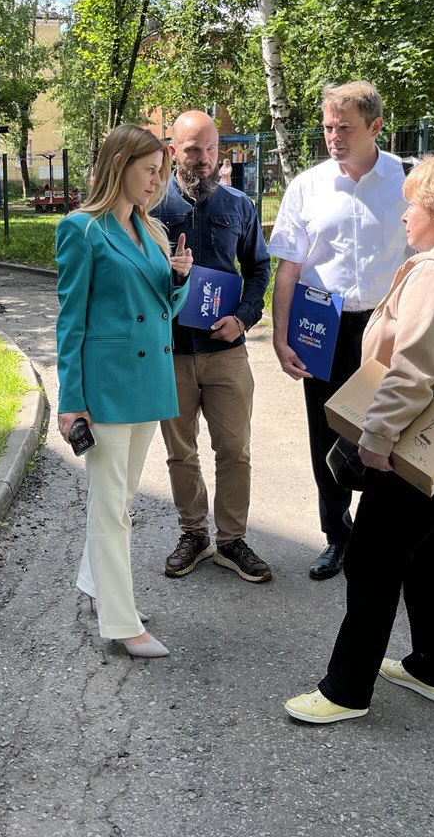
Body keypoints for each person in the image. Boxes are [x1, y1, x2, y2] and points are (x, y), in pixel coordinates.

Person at [283, 152, 434, 725]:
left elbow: (411, 372)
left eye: (411, 206)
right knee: (433, 552)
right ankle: (433, 668)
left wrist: (376, 437)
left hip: (420, 440)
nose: (403, 216)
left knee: (372, 558)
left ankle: (345, 691)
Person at [55, 123, 193, 658]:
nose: (157, 181)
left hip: (148, 382)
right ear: (120, 165)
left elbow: (163, 311)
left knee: (123, 498)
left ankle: (97, 583)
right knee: (110, 507)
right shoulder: (82, 229)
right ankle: (120, 621)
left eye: (161, 173)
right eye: (149, 170)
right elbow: (71, 321)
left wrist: (177, 280)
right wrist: (71, 401)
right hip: (108, 386)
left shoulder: (151, 230)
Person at [268, 80, 411, 581]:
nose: (334, 137)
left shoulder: (406, 183)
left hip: (385, 326)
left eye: (345, 128)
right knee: (325, 434)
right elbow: (288, 266)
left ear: (375, 127)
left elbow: (426, 258)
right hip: (321, 325)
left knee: (385, 431)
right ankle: (337, 536)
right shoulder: (307, 186)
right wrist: (280, 337)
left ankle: (378, 537)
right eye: (329, 127)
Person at [151, 111, 273, 582]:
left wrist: (242, 318)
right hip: (171, 352)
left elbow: (258, 268)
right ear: (172, 152)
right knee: (180, 452)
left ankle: (231, 540)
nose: (204, 160)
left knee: (235, 450)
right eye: (192, 150)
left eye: (211, 150)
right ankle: (194, 534)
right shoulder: (152, 208)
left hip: (226, 353)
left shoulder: (239, 205)